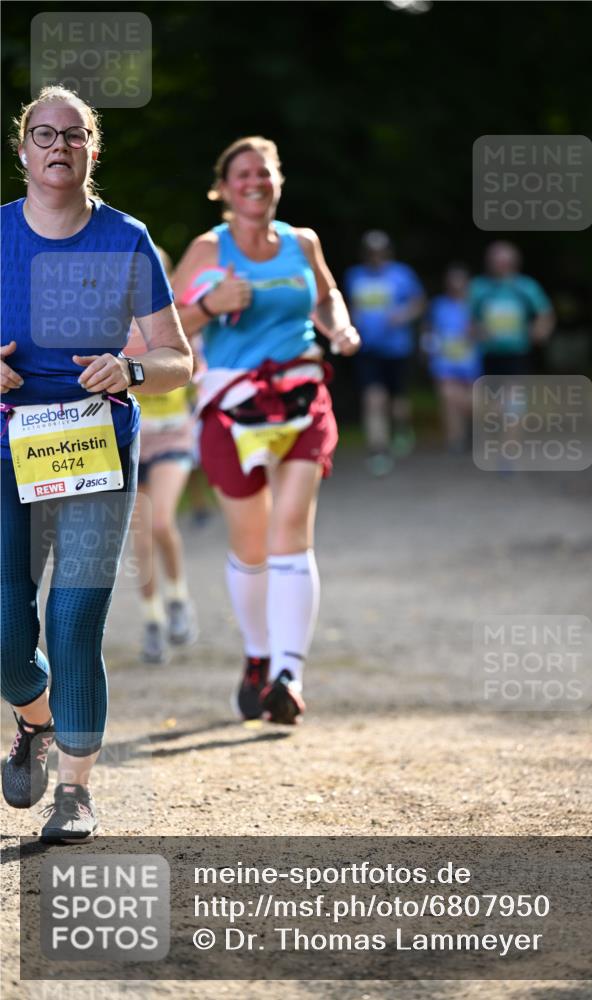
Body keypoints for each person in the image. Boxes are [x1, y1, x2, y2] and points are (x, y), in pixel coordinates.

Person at [0, 86, 192, 843]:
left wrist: (133, 371)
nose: (58, 146)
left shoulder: (125, 238)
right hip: (5, 442)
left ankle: (75, 791)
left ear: (92, 150)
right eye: (43, 134)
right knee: (5, 627)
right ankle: (36, 718)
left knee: (75, 617)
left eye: (73, 135)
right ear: (22, 151)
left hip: (93, 442)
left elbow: (180, 358)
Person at [171, 136, 360, 724]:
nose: (256, 182)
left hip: (302, 397)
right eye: (243, 175)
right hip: (233, 406)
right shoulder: (209, 249)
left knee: (291, 528)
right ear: (224, 189)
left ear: (278, 182)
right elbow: (164, 327)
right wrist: (212, 304)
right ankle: (258, 656)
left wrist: (339, 329)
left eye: (265, 173)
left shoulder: (303, 243)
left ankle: (288, 673)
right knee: (251, 543)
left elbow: (326, 300)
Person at [127, 248, 198, 663]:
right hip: (130, 438)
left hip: (173, 436)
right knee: (140, 535)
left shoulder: (180, 323)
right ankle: (152, 620)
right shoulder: (110, 323)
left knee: (162, 521)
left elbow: (196, 372)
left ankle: (178, 599)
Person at [344, 231, 425, 476]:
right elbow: (349, 304)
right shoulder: (355, 275)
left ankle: (402, 428)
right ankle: (378, 449)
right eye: (371, 253)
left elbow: (418, 303)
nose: (375, 257)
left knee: (398, 402)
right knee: (373, 398)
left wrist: (403, 315)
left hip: (397, 348)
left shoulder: (402, 274)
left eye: (380, 252)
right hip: (368, 347)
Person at [470, 241, 554, 375]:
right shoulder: (478, 287)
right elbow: (465, 315)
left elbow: (544, 313)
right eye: (495, 261)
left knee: (513, 394)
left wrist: (540, 330)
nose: (499, 265)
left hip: (518, 353)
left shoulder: (527, 286)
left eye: (503, 261)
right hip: (486, 354)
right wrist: (475, 330)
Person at [422, 263, 480, 452]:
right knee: (448, 398)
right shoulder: (438, 305)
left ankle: (472, 434)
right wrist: (429, 350)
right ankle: (455, 440)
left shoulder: (476, 304)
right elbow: (429, 330)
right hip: (444, 361)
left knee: (469, 401)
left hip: (471, 361)